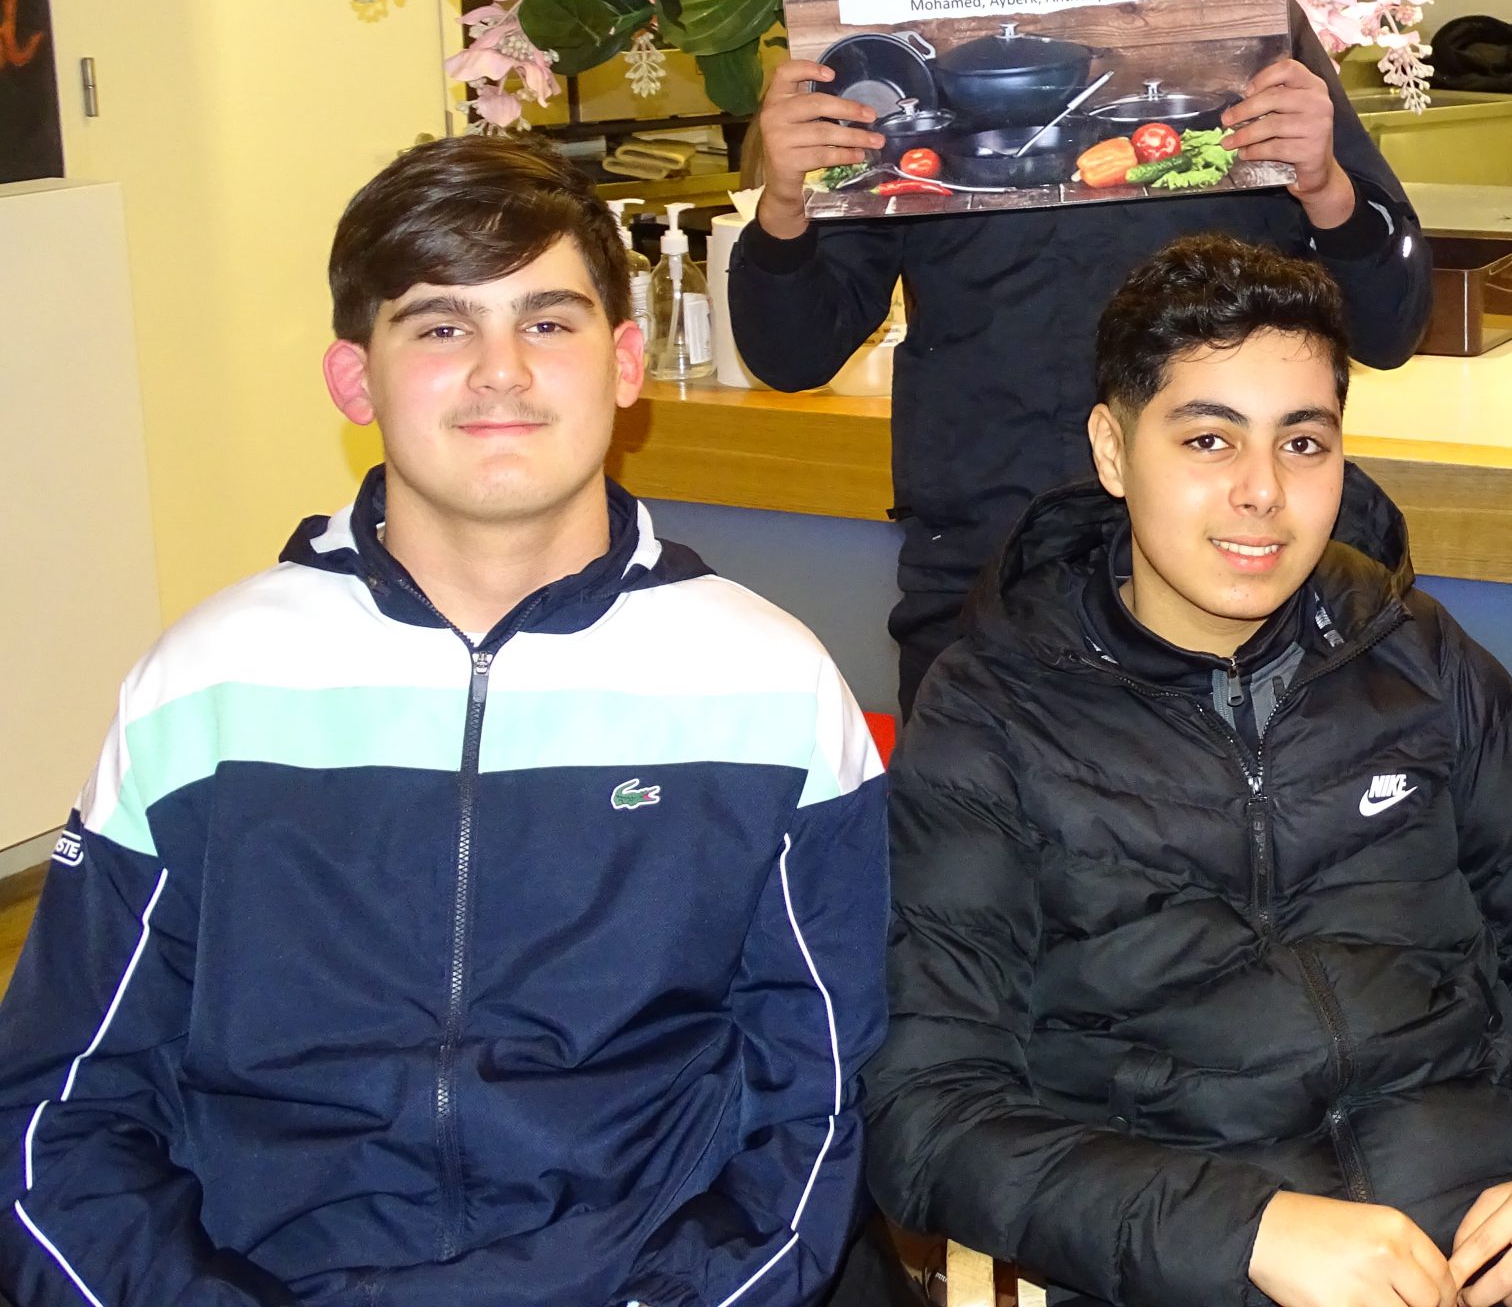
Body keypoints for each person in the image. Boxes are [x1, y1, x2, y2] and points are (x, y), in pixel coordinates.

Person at [0, 136, 889, 1307]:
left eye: (547, 322)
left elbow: (816, 1105)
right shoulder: (205, 689)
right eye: (439, 327)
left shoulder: (769, 687)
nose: (500, 372)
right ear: (353, 380)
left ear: (625, 362)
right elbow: (62, 1106)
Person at [864, 234, 1512, 1307]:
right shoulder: (994, 712)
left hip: (1487, 1250)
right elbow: (929, 1106)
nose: (1262, 492)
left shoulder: (1416, 656)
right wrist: (1245, 1231)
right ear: (1112, 450)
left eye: (1302, 443)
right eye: (1208, 440)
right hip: (1185, 1268)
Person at [731, 0, 1434, 713]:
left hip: (1231, 586)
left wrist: (1327, 186)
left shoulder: (1246, 24)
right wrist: (787, 207)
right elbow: (792, 355)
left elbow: (1392, 325)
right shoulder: (892, 33)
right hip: (989, 589)